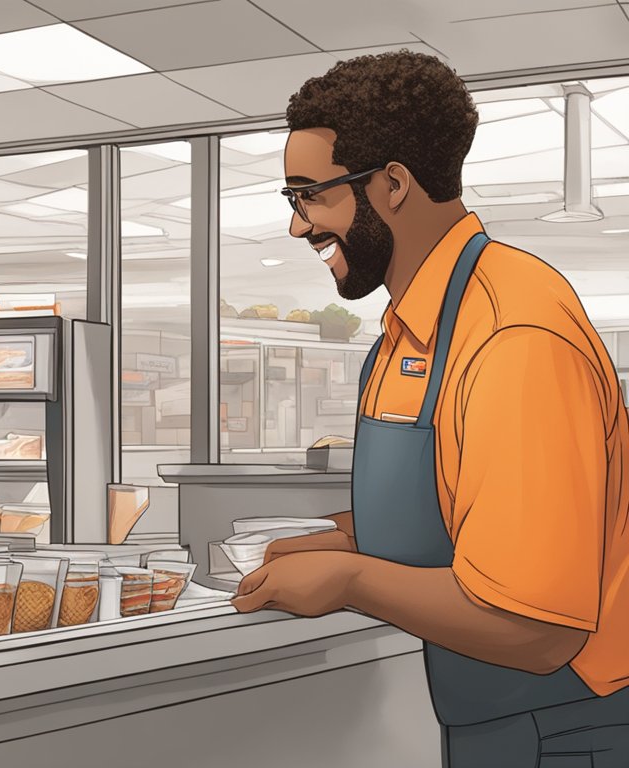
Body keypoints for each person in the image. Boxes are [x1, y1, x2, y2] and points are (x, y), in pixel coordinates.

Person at [231, 52, 629, 764]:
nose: (299, 227)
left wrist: (350, 579)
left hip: (566, 729)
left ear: (391, 185)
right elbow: (458, 514)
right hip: (489, 720)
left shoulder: (514, 332)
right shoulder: (409, 329)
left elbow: (538, 626)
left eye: (310, 196)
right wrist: (343, 541)